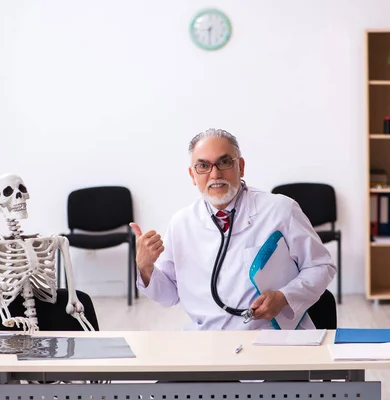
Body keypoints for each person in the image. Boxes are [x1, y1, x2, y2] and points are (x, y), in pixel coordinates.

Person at [130, 128, 336, 331]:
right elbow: (169, 295)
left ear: (241, 166)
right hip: (206, 341)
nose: (215, 174)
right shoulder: (181, 223)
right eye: (203, 166)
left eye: (224, 162)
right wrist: (146, 268)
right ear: (193, 175)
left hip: (270, 337)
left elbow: (321, 266)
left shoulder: (280, 210)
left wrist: (284, 297)